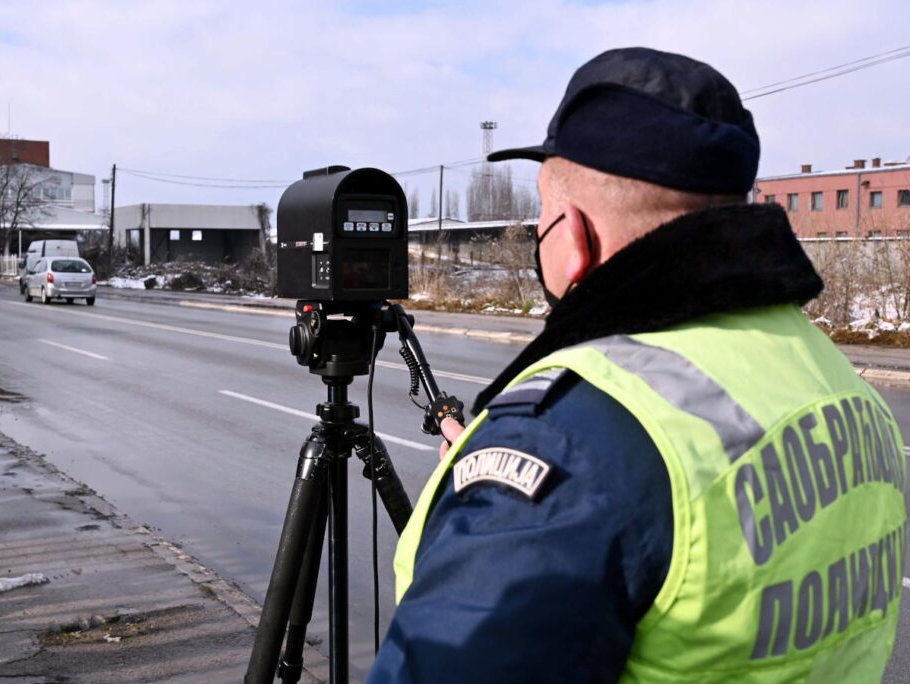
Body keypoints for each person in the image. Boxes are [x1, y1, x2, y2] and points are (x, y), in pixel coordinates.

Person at [368, 47, 907, 683]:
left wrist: (525, 466)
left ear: (572, 237)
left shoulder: (567, 448)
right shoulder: (834, 378)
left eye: (544, 210)